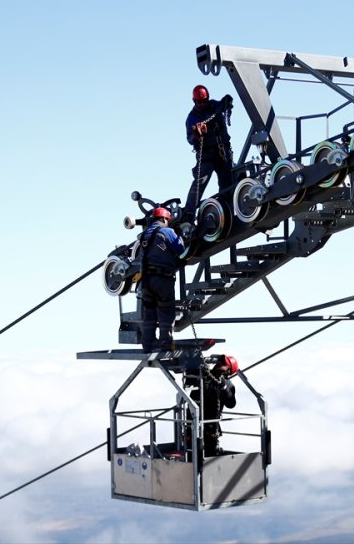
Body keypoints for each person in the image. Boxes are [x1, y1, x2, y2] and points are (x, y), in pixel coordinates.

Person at [183, 85, 234, 220]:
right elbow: (190, 139)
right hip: (206, 156)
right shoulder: (192, 118)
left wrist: (226, 102)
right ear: (194, 101)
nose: (202, 104)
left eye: (204, 101)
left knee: (227, 183)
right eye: (199, 102)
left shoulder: (213, 106)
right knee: (200, 182)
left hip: (222, 153)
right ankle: (189, 214)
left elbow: (222, 106)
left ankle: (225, 213)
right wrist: (196, 134)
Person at [139, 206, 185, 353]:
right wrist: (181, 235)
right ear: (165, 219)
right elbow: (181, 249)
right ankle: (165, 345)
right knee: (166, 311)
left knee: (149, 313)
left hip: (146, 281)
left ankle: (147, 346)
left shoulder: (144, 234)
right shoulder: (167, 232)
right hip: (163, 279)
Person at [187, 354, 238, 457]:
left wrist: (224, 388)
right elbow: (191, 383)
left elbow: (231, 403)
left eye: (224, 364)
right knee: (191, 453)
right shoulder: (204, 376)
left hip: (210, 425)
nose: (219, 364)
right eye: (220, 362)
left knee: (209, 455)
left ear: (228, 371)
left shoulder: (226, 384)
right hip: (193, 423)